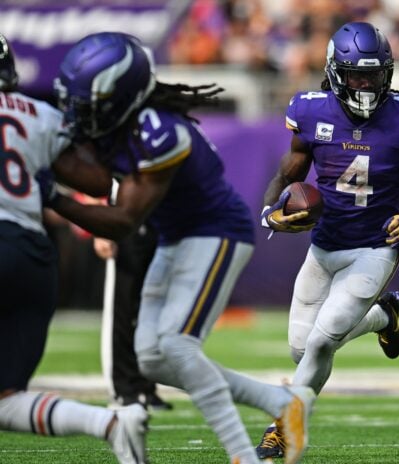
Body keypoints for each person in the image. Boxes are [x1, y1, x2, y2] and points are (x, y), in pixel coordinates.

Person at [42, 32, 314, 464]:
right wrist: (47, 164)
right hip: (175, 236)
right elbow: (104, 182)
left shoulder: (159, 131)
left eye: (88, 104)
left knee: (178, 347)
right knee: (150, 357)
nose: (79, 114)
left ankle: (242, 454)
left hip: (215, 233)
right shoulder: (125, 124)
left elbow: (124, 219)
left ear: (120, 97)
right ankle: (282, 402)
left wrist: (52, 197)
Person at [255, 21, 399, 459]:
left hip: (376, 246)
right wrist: (271, 211)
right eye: (356, 75)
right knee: (300, 349)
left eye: (374, 74)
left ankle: (284, 427)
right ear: (334, 72)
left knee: (324, 341)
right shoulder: (311, 111)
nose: (365, 84)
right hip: (325, 246)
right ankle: (384, 317)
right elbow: (288, 174)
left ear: (388, 72)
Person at [0, 33, 148, 464]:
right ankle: (112, 425)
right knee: (7, 398)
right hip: (32, 255)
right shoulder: (39, 114)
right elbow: (98, 183)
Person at [93, 221, 173, 411]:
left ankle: (145, 387)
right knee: (122, 309)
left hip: (155, 223)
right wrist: (101, 229)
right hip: (124, 223)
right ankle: (123, 389)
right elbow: (104, 190)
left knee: (151, 311)